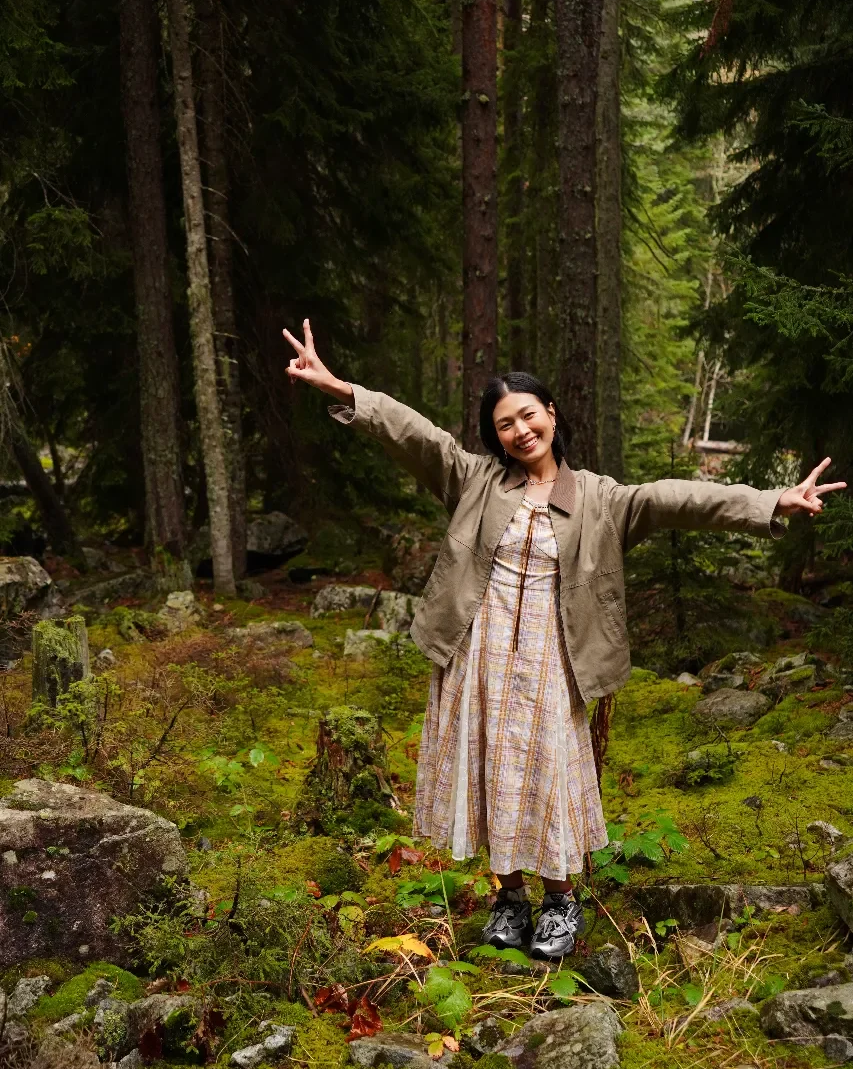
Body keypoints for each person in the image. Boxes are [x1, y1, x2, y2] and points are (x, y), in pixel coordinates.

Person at [283, 319, 846, 960]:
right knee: (492, 770)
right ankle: (510, 898)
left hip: (554, 658)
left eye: (528, 416)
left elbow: (681, 498)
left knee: (546, 773)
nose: (520, 431)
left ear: (551, 413)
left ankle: (560, 900)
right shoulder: (475, 481)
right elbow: (413, 433)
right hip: (480, 652)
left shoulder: (602, 499)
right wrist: (339, 388)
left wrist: (772, 501)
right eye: (504, 424)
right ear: (493, 436)